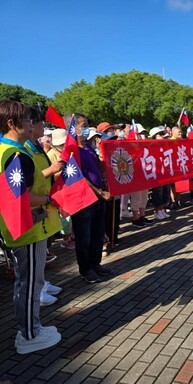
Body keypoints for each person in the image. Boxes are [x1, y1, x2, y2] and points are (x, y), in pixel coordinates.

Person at [0, 100, 62, 354]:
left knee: (30, 281)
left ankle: (32, 327)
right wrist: (47, 198)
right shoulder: (14, 153)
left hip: (24, 226)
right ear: (11, 123)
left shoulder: (8, 149)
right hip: (27, 228)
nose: (31, 124)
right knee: (29, 283)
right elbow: (20, 196)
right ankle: (29, 334)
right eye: (25, 120)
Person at [64, 113, 113, 283]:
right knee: (84, 237)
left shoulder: (88, 147)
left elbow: (98, 169)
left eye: (87, 125)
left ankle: (95, 264)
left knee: (98, 234)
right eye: (83, 125)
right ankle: (85, 269)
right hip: (83, 200)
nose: (86, 129)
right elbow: (78, 177)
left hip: (98, 197)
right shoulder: (72, 150)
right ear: (73, 128)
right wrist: (99, 192)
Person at [25, 107, 65, 306]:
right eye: (40, 123)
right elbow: (30, 179)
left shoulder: (36, 146)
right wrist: (52, 169)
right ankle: (36, 292)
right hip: (35, 209)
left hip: (43, 207)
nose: (43, 127)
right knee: (34, 258)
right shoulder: (23, 148)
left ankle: (41, 283)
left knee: (42, 253)